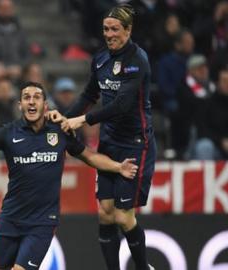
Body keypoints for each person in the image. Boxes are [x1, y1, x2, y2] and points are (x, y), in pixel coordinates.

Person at [0, 82, 139, 270]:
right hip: (10, 218)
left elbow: (89, 156)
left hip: (42, 222)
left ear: (45, 105)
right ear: (20, 105)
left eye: (37, 97)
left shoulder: (60, 131)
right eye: (26, 97)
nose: (31, 102)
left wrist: (118, 167)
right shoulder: (7, 133)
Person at [49, 4, 156, 270]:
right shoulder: (100, 59)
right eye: (106, 29)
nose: (109, 34)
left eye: (115, 29)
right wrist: (65, 119)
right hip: (109, 143)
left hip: (136, 143)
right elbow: (89, 95)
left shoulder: (137, 60)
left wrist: (81, 120)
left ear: (128, 30)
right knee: (105, 214)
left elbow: (121, 104)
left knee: (122, 215)